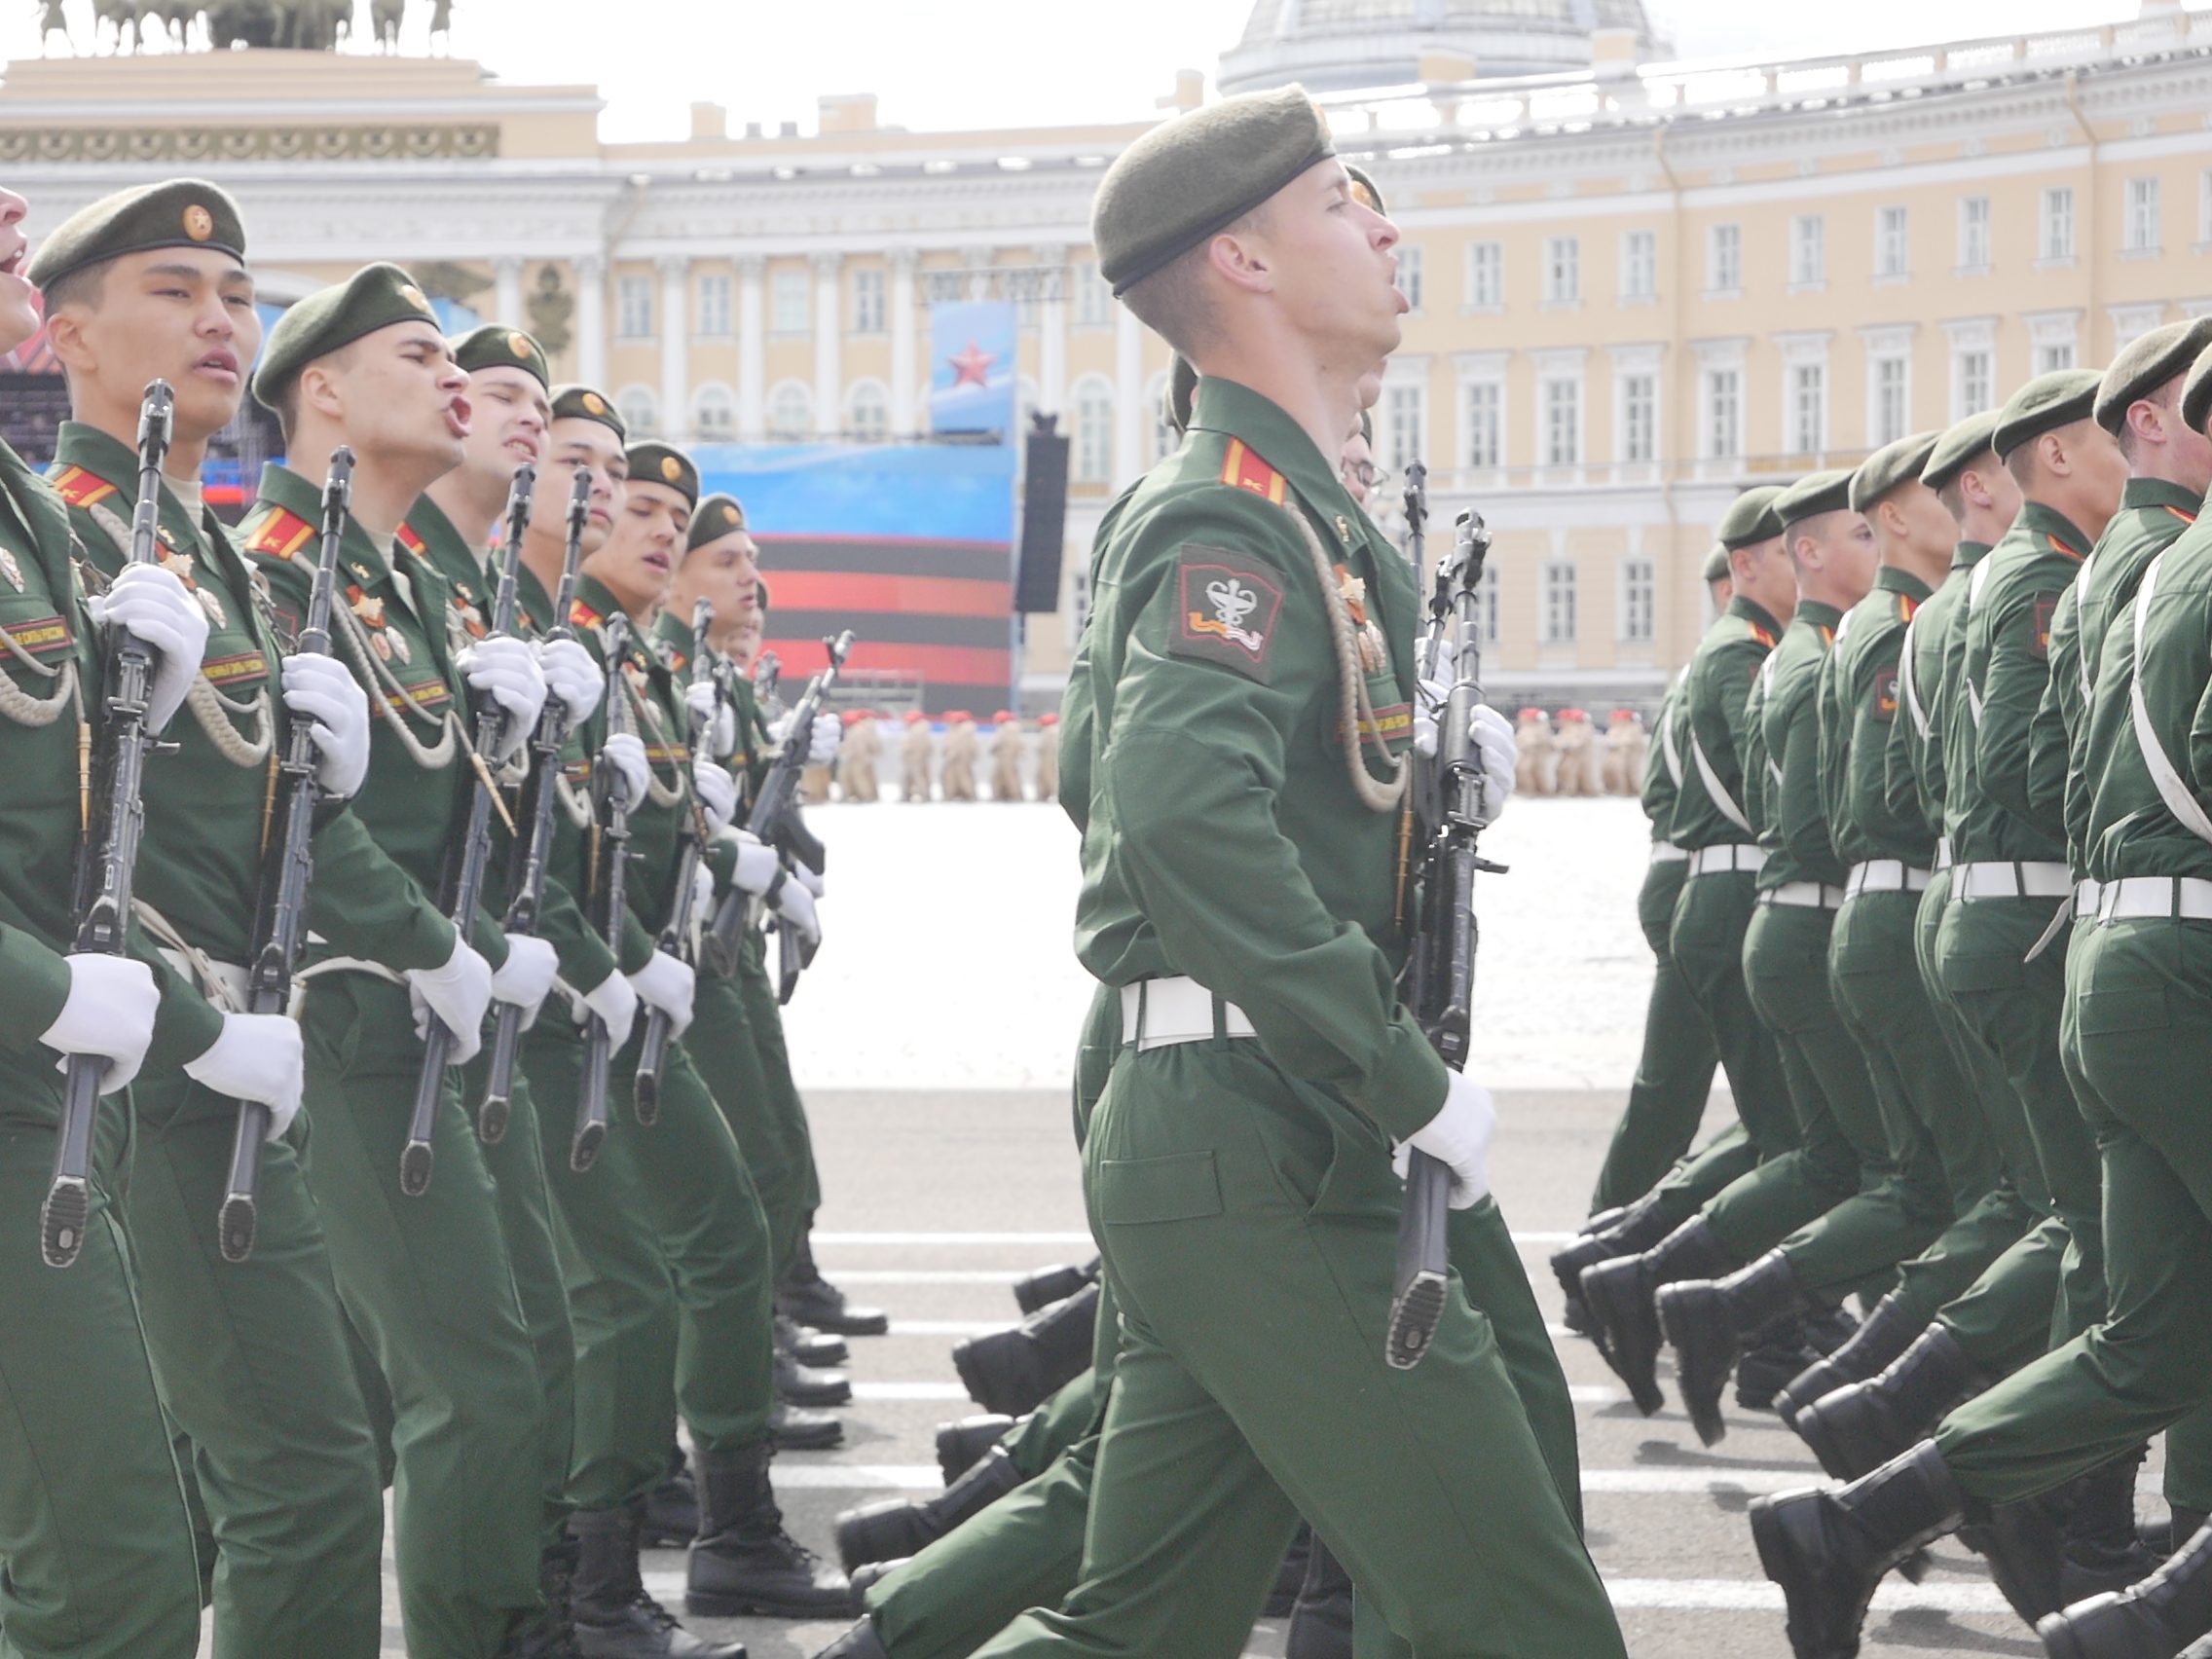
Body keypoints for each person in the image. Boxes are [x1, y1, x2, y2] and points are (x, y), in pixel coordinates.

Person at [955, 86, 1623, 1658]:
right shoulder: (1223, 517)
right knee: (1512, 1612)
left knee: (1148, 1617)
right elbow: (1174, 822)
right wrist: (1393, 1069)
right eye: (1343, 203)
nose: (1387, 226)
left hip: (1257, 1112)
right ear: (1240, 260)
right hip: (1276, 1122)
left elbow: (1095, 782)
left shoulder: (1295, 518)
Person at [1753, 368, 2160, 1656]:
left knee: (2050, 1222)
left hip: (1960, 908)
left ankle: (1904, 1447)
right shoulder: (2041, 584)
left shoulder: (1961, 605)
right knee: (2037, 1216)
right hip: (2031, 915)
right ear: (2028, 468)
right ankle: (1895, 1416)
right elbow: (2030, 770)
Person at [33, 176, 386, 1657]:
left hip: (235, 1042)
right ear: (65, 332)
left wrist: (340, 769)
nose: (220, 320)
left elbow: (262, 820)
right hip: (142, 1060)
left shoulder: (215, 552)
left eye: (236, 294)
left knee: (261, 1475)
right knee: (254, 1487)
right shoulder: (72, 538)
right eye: (176, 293)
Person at [240, 261, 556, 1658]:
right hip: (351, 1026)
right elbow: (288, 819)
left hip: (429, 1025)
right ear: (324, 392)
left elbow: (439, 820)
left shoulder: (400, 588)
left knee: (492, 1370)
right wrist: (439, 947)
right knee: (466, 1392)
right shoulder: (276, 571)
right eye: (421, 355)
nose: (457, 379)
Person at [0, 177, 261, 1659]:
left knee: (109, 1550)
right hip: (27, 1065)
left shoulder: (31, 520)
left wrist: (140, 713)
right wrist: (49, 989)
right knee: (111, 1584)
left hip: (52, 1096)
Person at [400, 324, 612, 1636]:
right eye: (503, 395)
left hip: (479, 1007)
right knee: (415, 1402)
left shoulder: (476, 598)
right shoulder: (369, 582)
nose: (526, 422)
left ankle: (534, 1602)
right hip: (385, 1013)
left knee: (523, 1345)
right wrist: (449, 944)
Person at [1773, 411, 2035, 1426]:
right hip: (1906, 903)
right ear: (1901, 512)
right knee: (1992, 1196)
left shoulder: (1891, 620)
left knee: (1941, 1188)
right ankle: (1901, 1409)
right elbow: (1884, 798)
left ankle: (1844, 1381)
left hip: (1889, 909)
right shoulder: (1894, 624)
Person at [1572, 485, 1799, 1411]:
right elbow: (1768, 786)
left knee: (1679, 1100)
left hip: (1694, 877)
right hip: (1725, 879)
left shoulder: (1726, 657)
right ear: (1739, 572)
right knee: (1790, 1121)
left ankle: (1610, 1256)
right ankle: (1733, 1295)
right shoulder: (1741, 659)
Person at [902, 708, 935, 799]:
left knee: (919, 777)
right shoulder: (917, 729)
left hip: (916, 758)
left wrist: (916, 756)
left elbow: (920, 746)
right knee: (911, 778)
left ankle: (924, 795)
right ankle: (908, 795)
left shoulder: (918, 730)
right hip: (914, 758)